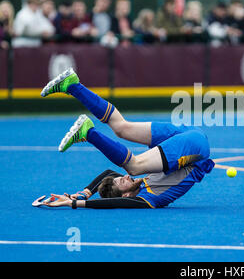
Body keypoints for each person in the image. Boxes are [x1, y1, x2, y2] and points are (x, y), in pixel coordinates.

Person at [39, 68, 215, 209]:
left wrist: (82, 195)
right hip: (196, 149)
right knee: (128, 145)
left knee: (129, 150)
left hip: (192, 143)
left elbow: (108, 174)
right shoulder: (146, 198)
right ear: (127, 195)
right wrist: (77, 203)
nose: (122, 177)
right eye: (121, 182)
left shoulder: (138, 189)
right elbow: (115, 202)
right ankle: (76, 96)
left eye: (120, 178)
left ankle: (81, 112)